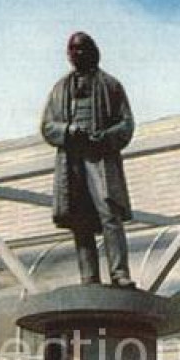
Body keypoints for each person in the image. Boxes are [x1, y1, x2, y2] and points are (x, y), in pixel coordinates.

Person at [41, 31, 135, 287]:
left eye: (81, 48)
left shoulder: (111, 85)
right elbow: (47, 127)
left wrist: (104, 136)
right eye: (72, 49)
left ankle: (119, 273)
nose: (76, 53)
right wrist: (69, 131)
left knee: (109, 213)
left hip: (100, 158)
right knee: (79, 218)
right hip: (72, 161)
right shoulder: (59, 89)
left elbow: (126, 125)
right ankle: (89, 277)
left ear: (93, 50)